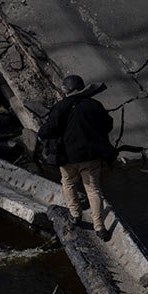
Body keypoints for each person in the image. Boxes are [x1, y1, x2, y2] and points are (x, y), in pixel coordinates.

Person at [39, 75, 116, 232]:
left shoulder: (60, 107)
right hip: (91, 155)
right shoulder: (94, 105)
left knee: (68, 183)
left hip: (67, 157)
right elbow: (108, 125)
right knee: (93, 190)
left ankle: (75, 215)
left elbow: (49, 129)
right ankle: (100, 227)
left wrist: (42, 135)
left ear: (67, 90)